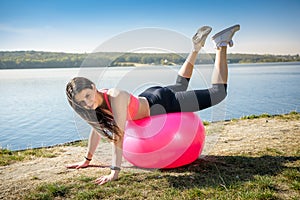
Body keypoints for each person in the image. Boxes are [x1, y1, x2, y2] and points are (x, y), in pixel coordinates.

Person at [66, 24, 240, 185]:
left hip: (160, 103)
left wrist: (114, 172)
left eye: (88, 96)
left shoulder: (115, 96)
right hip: (147, 96)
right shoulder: (96, 104)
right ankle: (195, 48)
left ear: (93, 87)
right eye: (82, 102)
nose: (87, 103)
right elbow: (96, 130)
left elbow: (119, 137)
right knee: (180, 86)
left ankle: (221, 44)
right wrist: (87, 160)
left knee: (218, 93)